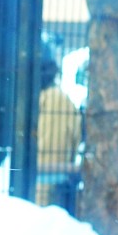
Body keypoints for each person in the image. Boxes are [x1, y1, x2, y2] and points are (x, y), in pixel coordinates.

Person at [35, 38, 82, 213]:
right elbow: (76, 140)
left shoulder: (34, 102)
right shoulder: (66, 101)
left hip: (35, 185)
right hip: (61, 184)